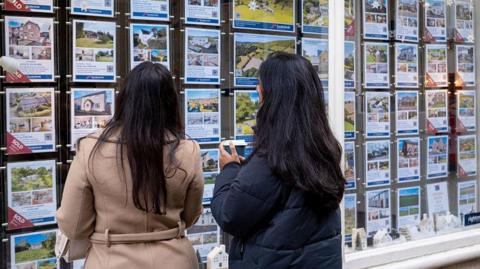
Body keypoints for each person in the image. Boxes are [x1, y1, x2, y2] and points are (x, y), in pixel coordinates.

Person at [57, 62, 204, 269]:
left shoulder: (91, 149)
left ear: (124, 98)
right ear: (171, 102)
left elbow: (73, 223)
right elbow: (190, 216)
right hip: (176, 259)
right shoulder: (188, 150)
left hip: (110, 259)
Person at [211, 52, 345, 269]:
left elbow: (230, 215)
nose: (257, 90)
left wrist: (229, 169)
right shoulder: (324, 149)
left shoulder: (274, 156)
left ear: (274, 94)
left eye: (260, 84)